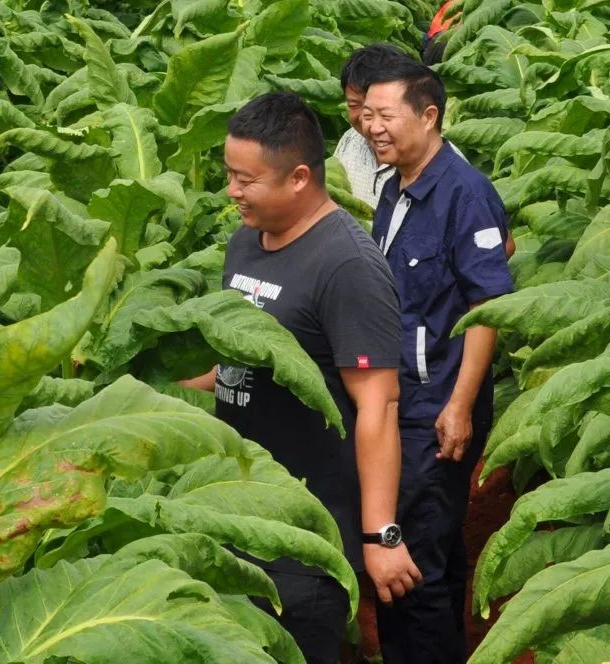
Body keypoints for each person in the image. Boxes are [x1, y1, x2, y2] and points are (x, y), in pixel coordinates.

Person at [181, 92, 422, 664]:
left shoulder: (347, 266)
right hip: (234, 507)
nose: (232, 191)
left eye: (246, 180)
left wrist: (380, 535)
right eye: (229, 175)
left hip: (307, 531)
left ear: (298, 178)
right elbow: (236, 360)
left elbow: (379, 404)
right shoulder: (246, 242)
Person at [360, 57, 514, 663]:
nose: (373, 128)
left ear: (429, 116)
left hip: (435, 409)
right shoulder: (395, 187)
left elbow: (488, 307)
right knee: (435, 554)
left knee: (412, 561)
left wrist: (458, 406)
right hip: (401, 401)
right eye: (367, 115)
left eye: (386, 116)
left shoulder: (464, 194)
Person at [333, 44, 410, 209]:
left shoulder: (432, 162)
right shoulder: (350, 141)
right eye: (354, 105)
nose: (364, 118)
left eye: (378, 106)